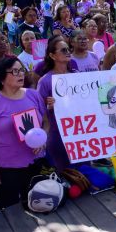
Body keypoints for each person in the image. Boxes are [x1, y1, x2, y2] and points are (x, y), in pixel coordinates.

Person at [0, 57, 49, 210]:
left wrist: (43, 139)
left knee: (36, 206)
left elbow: (46, 122)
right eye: (15, 71)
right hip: (7, 167)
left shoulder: (33, 95)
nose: (20, 74)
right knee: (9, 211)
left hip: (35, 162)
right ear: (2, 78)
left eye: (21, 70)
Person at [36, 37, 75, 172]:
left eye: (69, 49)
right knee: (64, 172)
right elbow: (38, 111)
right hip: (56, 133)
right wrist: (49, 107)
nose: (68, 52)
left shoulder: (77, 76)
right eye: (63, 50)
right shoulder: (45, 81)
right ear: (52, 55)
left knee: (82, 170)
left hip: (78, 131)